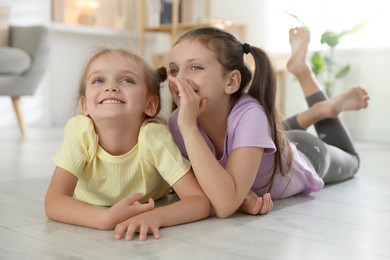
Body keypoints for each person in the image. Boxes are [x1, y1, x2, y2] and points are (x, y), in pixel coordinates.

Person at [167, 26, 369, 218]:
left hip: (307, 153)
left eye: (195, 67)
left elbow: (224, 205)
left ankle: (306, 78)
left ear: (231, 82)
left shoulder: (247, 115)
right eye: (174, 70)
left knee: (352, 160)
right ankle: (314, 112)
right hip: (275, 140)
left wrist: (189, 128)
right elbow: (201, 189)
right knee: (270, 129)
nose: (180, 79)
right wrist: (236, 194)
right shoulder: (179, 122)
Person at [44, 47, 211, 241]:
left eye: (127, 80)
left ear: (150, 105)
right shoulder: (80, 132)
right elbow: (53, 202)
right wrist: (104, 219)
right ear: (85, 105)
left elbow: (199, 202)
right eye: (98, 80)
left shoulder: (154, 137)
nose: (111, 87)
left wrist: (156, 216)